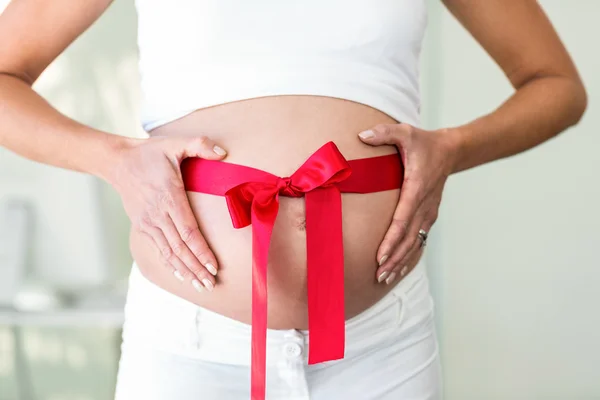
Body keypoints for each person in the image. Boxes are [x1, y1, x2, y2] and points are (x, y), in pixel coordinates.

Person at [0, 1, 586, 399]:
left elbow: (556, 85)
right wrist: (114, 159)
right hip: (189, 345)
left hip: (383, 346)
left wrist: (454, 147)